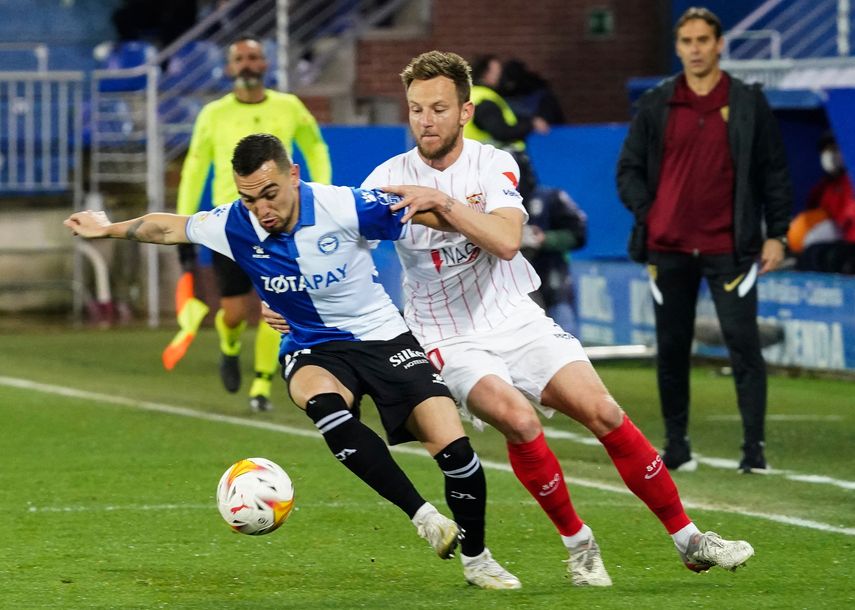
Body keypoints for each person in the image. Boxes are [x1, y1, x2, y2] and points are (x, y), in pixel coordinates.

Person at [265, 50, 755, 584]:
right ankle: (578, 542)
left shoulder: (495, 163)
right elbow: (333, 246)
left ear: (465, 113)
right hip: (443, 335)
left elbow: (505, 240)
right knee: (519, 421)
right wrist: (293, 299)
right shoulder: (384, 181)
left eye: (437, 108)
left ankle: (689, 540)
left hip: (514, 314)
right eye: (415, 110)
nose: (425, 121)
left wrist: (442, 204)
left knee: (606, 414)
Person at [64, 133, 520, 590]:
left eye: (270, 193)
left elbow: (424, 214)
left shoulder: (344, 206)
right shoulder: (233, 224)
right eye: (249, 198)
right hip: (312, 346)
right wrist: (106, 228)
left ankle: (478, 558)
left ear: (294, 177)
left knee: (457, 454)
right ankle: (423, 517)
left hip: (382, 336)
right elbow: (168, 227)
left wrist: (464, 213)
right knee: (323, 404)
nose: (262, 208)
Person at [616, 7, 793, 474]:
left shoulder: (748, 101)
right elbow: (628, 170)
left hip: (729, 248)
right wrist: (650, 213)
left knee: (743, 345)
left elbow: (774, 171)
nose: (694, 49)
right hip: (667, 248)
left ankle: (753, 450)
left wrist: (777, 234)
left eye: (702, 40)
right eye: (686, 41)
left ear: (719, 45)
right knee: (672, 348)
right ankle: (677, 446)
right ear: (678, 48)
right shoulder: (657, 103)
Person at [175, 35, 333, 413]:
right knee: (231, 312)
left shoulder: (289, 106)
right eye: (240, 58)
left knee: (276, 303)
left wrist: (321, 193)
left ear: (265, 64)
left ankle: (262, 384)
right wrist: (183, 222)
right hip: (230, 225)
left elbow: (315, 146)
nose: (247, 64)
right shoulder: (213, 113)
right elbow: (195, 166)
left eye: (254, 57)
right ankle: (229, 346)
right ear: (230, 68)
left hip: (280, 220)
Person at [464, 54, 550, 200]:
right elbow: (501, 131)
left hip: (476, 163)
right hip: (497, 164)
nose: (500, 76)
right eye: (497, 71)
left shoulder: (469, 95)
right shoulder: (485, 98)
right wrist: (530, 124)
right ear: (487, 73)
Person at [520, 185, 587, 333]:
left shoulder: (550, 197)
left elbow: (578, 235)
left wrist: (545, 239)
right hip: (517, 291)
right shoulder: (488, 202)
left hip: (555, 286)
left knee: (566, 338)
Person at [792, 131, 855, 274]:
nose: (830, 155)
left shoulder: (850, 181)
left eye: (834, 149)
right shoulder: (823, 187)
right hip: (834, 244)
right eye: (826, 151)